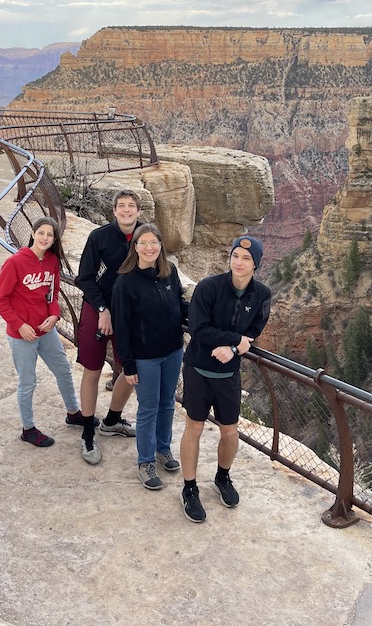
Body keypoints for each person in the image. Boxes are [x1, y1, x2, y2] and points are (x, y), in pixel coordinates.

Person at [179, 235, 271, 522]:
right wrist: (236, 341)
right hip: (197, 369)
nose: (239, 262)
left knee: (230, 431)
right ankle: (190, 488)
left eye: (246, 258)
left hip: (228, 375)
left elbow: (254, 331)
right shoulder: (209, 287)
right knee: (194, 427)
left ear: (256, 264)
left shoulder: (262, 295)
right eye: (235, 256)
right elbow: (198, 328)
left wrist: (234, 348)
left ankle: (222, 477)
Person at [0, 216, 84, 447]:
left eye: (50, 235)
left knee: (63, 369)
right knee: (28, 381)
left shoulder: (52, 261)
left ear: (54, 240)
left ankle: (73, 413)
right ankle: (28, 429)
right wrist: (19, 325)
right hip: (21, 334)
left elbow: (52, 293)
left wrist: (54, 315)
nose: (45, 238)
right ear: (33, 233)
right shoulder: (15, 263)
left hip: (45, 330)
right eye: (41, 233)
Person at [111, 223, 188, 490]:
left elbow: (180, 307)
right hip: (145, 358)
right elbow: (121, 328)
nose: (149, 248)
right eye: (143, 243)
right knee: (148, 408)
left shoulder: (170, 273)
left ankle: (162, 449)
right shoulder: (126, 283)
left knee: (168, 403)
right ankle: (145, 462)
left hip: (172, 351)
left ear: (160, 247)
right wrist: (128, 365)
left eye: (153, 242)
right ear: (135, 247)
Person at [74, 189, 142, 464]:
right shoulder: (99, 237)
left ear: (139, 211)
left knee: (130, 369)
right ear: (114, 211)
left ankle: (112, 420)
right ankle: (88, 431)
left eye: (131, 206)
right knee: (92, 369)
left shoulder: (146, 237)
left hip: (130, 313)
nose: (126, 210)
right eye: (121, 206)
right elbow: (85, 278)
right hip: (98, 308)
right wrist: (102, 309)